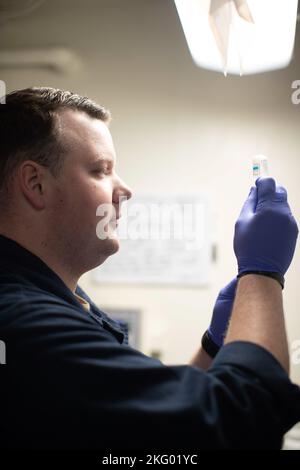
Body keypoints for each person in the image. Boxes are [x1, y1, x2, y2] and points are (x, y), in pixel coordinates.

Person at [0, 87, 299, 450]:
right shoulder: (24, 322)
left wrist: (214, 346)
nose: (124, 189)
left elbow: (162, 425)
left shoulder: (59, 300)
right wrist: (262, 274)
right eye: (100, 170)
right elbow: (243, 423)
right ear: (35, 184)